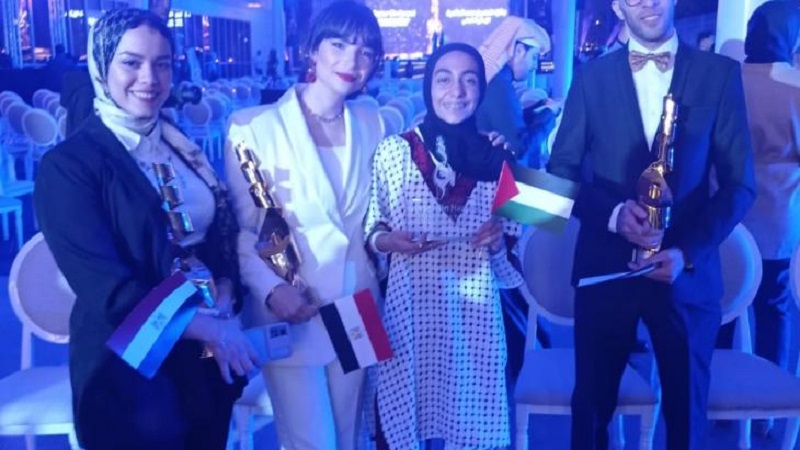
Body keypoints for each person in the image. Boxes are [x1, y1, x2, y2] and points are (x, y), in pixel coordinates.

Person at [34, 8, 259, 450]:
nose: (149, 78)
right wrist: (208, 328)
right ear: (101, 64)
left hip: (201, 362)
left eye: (162, 64)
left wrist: (226, 292)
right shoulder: (69, 166)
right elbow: (108, 289)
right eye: (131, 63)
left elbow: (212, 235)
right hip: (131, 375)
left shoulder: (177, 146)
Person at [546, 0, 756, 448]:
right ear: (618, 6)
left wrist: (688, 252)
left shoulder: (719, 74)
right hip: (606, 271)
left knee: (687, 422)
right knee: (591, 415)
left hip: (685, 275)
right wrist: (613, 215)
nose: (647, 1)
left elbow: (740, 185)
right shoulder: (590, 78)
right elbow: (558, 175)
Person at [224, 2, 384, 448]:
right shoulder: (253, 128)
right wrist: (272, 289)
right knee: (310, 441)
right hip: (293, 304)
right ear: (311, 50)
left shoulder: (372, 122)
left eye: (366, 51)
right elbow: (246, 228)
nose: (351, 61)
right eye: (339, 45)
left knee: (351, 436)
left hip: (359, 302)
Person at [364, 42, 521, 449]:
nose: (457, 91)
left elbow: (516, 254)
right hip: (409, 310)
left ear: (481, 90)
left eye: (470, 80)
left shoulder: (498, 158)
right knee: (405, 412)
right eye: (444, 79)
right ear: (427, 86)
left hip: (473, 316)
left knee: (470, 419)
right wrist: (388, 240)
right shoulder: (394, 152)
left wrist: (497, 240)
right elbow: (372, 228)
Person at [729, 0, 800, 437]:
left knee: (725, 307)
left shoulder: (727, 82)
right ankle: (767, 407)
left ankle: (720, 396)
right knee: (773, 311)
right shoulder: (795, 86)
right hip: (777, 218)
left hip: (728, 218)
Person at [476, 16, 551, 168]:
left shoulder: (496, 81)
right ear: (519, 50)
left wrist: (536, 110)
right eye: (534, 57)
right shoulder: (498, 86)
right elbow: (519, 149)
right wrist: (549, 115)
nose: (534, 66)